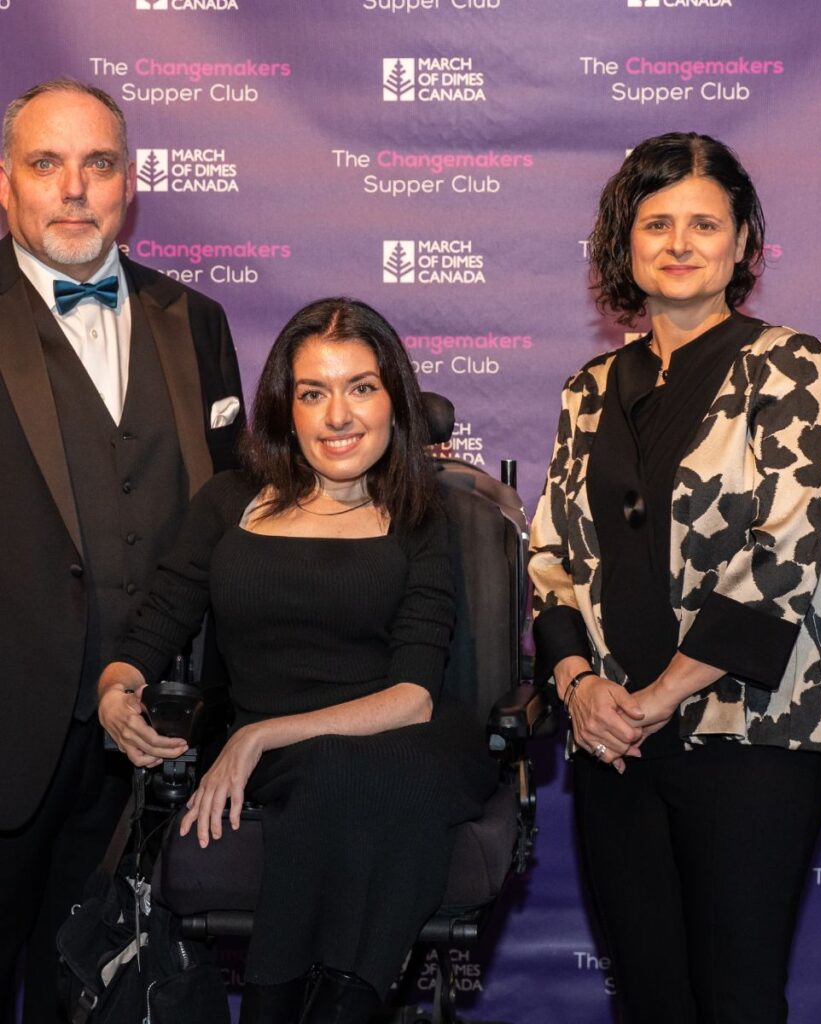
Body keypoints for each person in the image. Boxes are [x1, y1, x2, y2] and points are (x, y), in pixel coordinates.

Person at [97, 297, 497, 1024]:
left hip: (406, 740)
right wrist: (115, 689)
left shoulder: (422, 515)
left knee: (361, 770)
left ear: (395, 401)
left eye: (361, 388)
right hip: (303, 766)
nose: (338, 415)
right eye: (314, 392)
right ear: (286, 408)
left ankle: (285, 1005)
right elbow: (155, 625)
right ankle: (340, 1002)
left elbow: (413, 696)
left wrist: (257, 736)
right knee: (335, 777)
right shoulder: (230, 503)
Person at [528, 132, 821, 1023]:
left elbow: (786, 552)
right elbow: (551, 558)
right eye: (656, 222)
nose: (679, 243)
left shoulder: (789, 365)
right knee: (650, 998)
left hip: (749, 733)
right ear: (623, 245)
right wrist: (580, 685)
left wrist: (661, 693)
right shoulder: (588, 389)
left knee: (737, 997)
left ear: (744, 241)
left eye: (704, 223)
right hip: (611, 739)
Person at [0, 78, 243, 1024]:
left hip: (154, 734)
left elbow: (230, 515)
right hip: (12, 726)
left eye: (97, 163)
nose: (73, 188)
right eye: (45, 164)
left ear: (129, 184)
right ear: (7, 184)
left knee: (110, 993)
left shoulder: (198, 322)